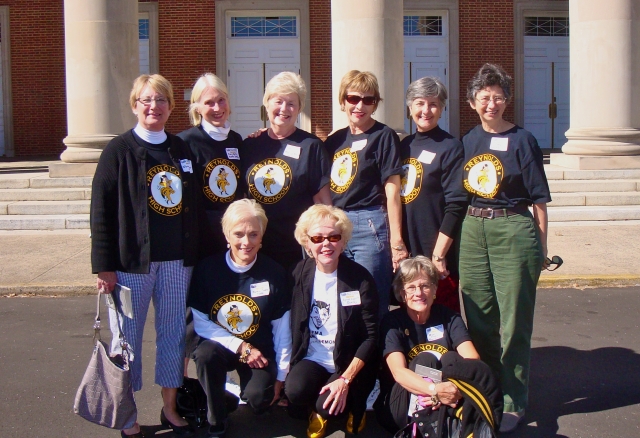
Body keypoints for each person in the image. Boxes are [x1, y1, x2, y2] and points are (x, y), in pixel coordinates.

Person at [91, 74, 212, 438]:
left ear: (172, 106)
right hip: (131, 266)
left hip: (178, 262)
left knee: (174, 334)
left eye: (161, 100)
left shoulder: (181, 150)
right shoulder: (119, 150)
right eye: (146, 100)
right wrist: (103, 265)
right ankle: (126, 415)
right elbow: (101, 210)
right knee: (125, 338)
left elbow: (195, 204)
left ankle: (171, 407)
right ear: (135, 105)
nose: (153, 106)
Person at [459, 63, 551, 433]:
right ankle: (490, 389)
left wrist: (542, 246)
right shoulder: (468, 140)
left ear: (507, 100)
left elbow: (539, 201)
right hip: (472, 227)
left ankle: (514, 399)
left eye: (498, 97)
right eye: (484, 97)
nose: (491, 103)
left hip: (513, 227)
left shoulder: (523, 140)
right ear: (472, 102)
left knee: (514, 321)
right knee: (478, 314)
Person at [187, 199, 291, 437]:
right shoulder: (207, 269)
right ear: (227, 235)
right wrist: (241, 346)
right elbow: (201, 322)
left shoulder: (274, 273)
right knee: (205, 354)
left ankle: (239, 393)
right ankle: (217, 416)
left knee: (259, 400)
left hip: (260, 352)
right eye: (239, 234)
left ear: (262, 236)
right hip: (223, 346)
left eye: (254, 234)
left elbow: (282, 328)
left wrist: (281, 378)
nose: (246, 242)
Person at [374, 256, 501, 436]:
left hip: (447, 395)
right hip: (403, 401)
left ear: (434, 289)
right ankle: (430, 427)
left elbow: (472, 360)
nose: (419, 293)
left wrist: (450, 389)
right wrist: (434, 391)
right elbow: (398, 372)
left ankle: (443, 427)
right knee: (425, 360)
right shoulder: (392, 322)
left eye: (425, 285)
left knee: (452, 359)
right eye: (411, 287)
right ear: (402, 294)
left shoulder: (449, 317)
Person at [286, 205, 379, 438]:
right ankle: (319, 408)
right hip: (314, 357)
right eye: (317, 238)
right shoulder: (297, 274)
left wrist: (345, 379)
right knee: (295, 390)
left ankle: (348, 403)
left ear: (343, 242)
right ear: (307, 244)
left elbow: (371, 336)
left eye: (333, 237)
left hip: (348, 361)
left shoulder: (361, 279)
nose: (325, 244)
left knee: (330, 405)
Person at [324, 70, 408, 316]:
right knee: (342, 297)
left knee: (371, 297)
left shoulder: (383, 136)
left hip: (368, 224)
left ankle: (379, 353)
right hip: (336, 223)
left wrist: (396, 241)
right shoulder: (334, 141)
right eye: (353, 99)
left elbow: (392, 192)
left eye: (368, 100)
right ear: (343, 101)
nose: (360, 106)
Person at [243, 71, 331, 270]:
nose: (284, 109)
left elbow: (323, 200)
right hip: (257, 245)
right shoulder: (250, 145)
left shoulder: (311, 146)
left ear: (300, 108)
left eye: (292, 103)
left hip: (296, 246)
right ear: (267, 104)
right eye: (278, 101)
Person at [399, 77, 468, 313]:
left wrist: (439, 254)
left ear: (441, 109)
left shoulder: (450, 146)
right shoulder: (402, 146)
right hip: (407, 248)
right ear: (409, 107)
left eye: (433, 104)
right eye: (419, 103)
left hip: (436, 250)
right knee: (408, 315)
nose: (425, 110)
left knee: (441, 317)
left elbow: (456, 204)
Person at [178, 73, 244, 252]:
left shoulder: (236, 140)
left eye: (221, 100)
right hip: (202, 235)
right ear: (197, 108)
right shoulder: (185, 142)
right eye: (209, 103)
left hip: (234, 233)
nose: (217, 108)